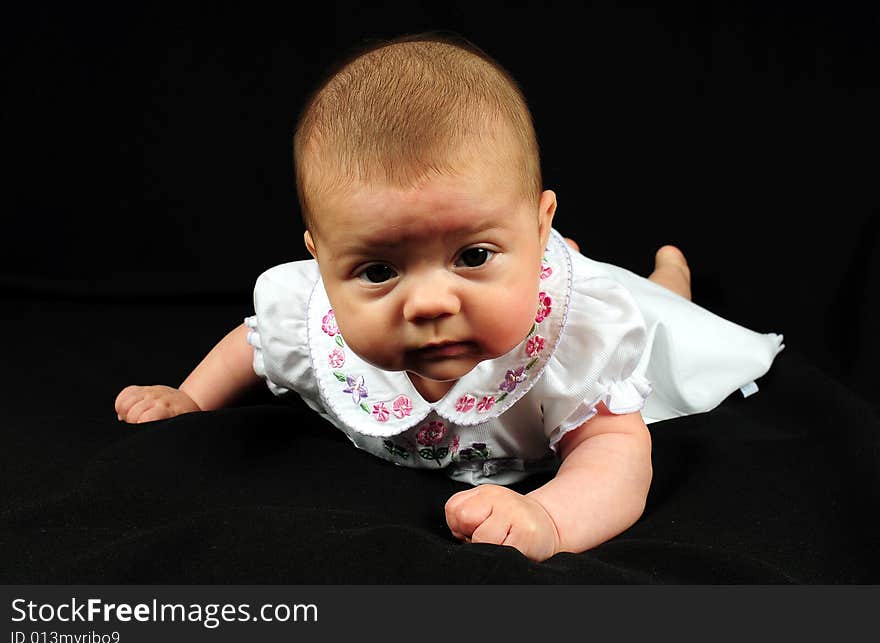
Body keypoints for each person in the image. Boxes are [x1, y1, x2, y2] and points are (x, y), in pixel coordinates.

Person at [115, 33, 783, 562]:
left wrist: (550, 517)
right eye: (378, 270)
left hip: (570, 303)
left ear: (539, 220)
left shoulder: (579, 340)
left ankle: (666, 278)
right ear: (321, 262)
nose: (429, 303)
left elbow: (617, 455)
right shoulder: (310, 319)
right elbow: (253, 346)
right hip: (522, 262)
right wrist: (192, 396)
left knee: (664, 322)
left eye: (471, 256)